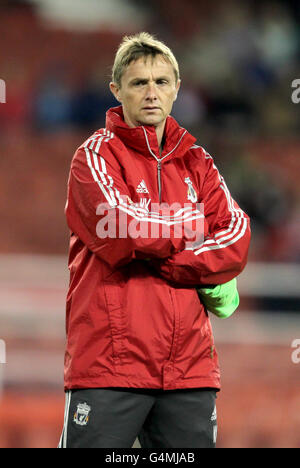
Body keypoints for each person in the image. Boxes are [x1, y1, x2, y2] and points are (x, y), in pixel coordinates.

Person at [58, 32, 251, 449]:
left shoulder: (199, 162)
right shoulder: (93, 156)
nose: (151, 93)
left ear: (177, 89)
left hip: (190, 370)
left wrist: (165, 258)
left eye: (161, 82)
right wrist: (192, 225)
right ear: (116, 90)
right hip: (109, 367)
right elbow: (120, 227)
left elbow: (236, 237)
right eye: (138, 83)